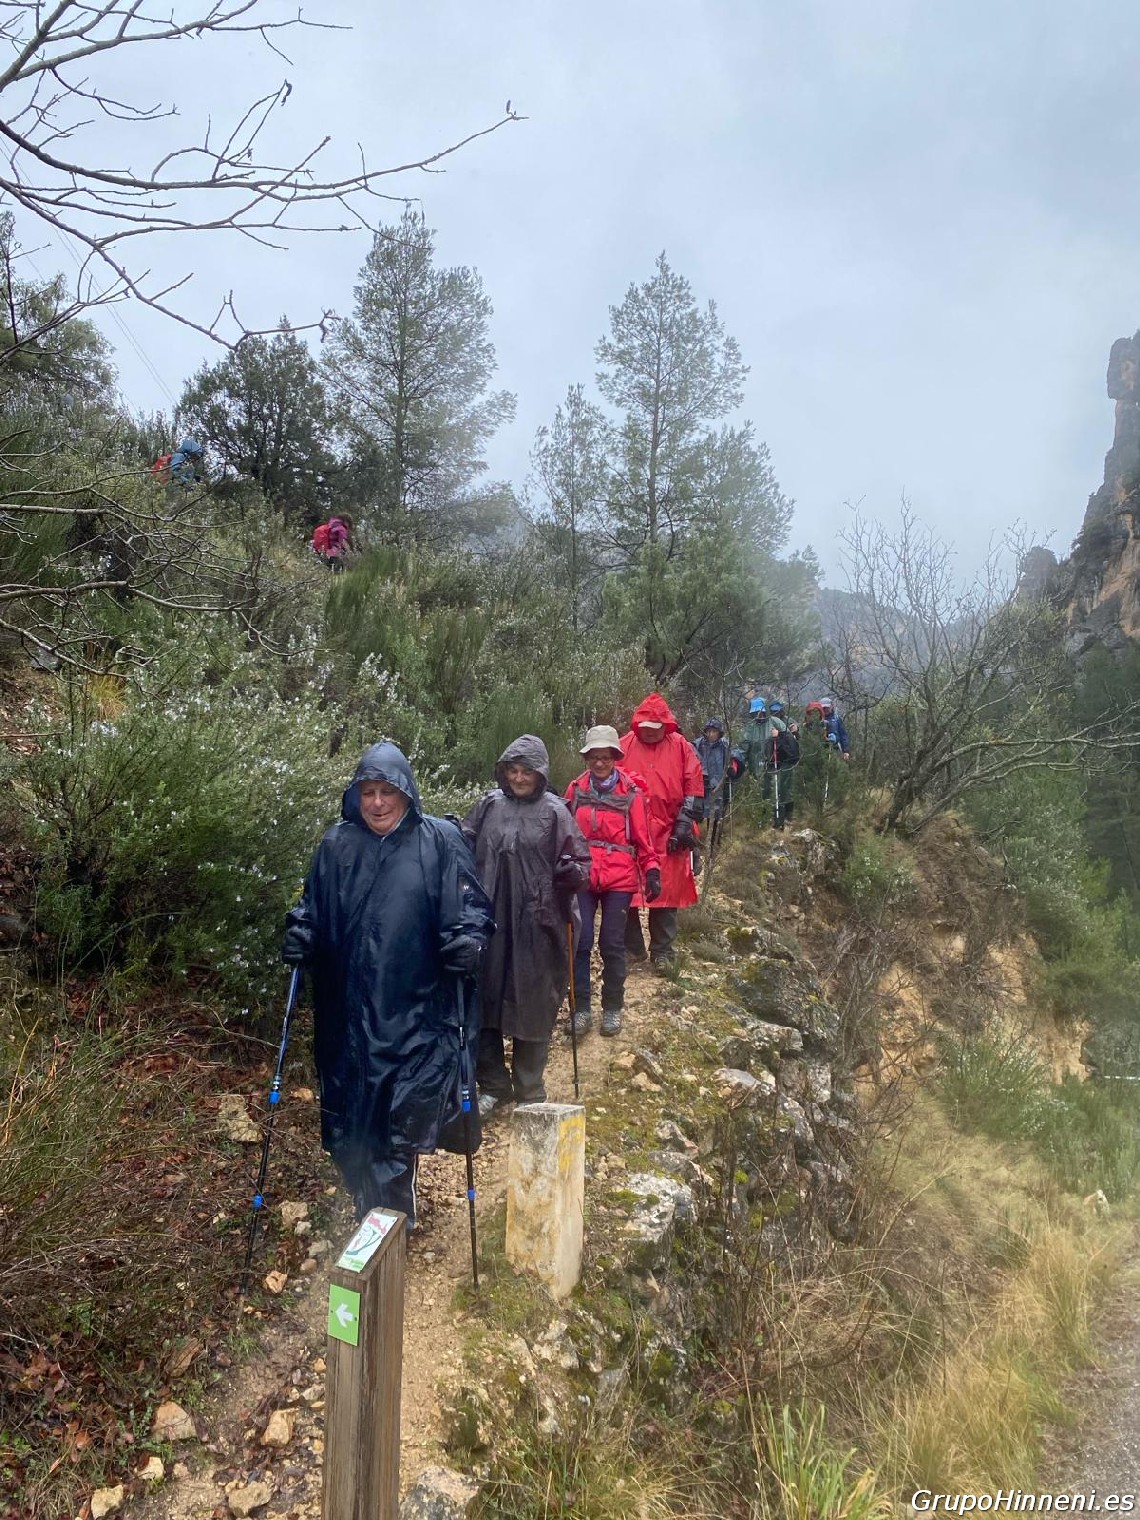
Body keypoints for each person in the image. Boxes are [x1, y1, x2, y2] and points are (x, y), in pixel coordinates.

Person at [281, 741, 494, 1224]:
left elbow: (473, 909)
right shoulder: (337, 846)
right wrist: (301, 933)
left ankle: (391, 1220)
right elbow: (311, 908)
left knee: (399, 1122)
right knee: (351, 1122)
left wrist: (470, 942)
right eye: (368, 792)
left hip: (416, 1012)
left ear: (407, 793)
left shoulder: (437, 842)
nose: (377, 803)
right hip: (346, 1015)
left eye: (387, 791)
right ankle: (370, 1207)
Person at [462, 736, 590, 1114]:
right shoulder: (489, 804)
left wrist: (572, 873)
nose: (518, 778)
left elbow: (581, 862)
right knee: (483, 1000)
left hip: (539, 923)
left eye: (527, 772)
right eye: (513, 770)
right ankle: (494, 1084)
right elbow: (462, 844)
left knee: (533, 1004)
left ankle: (530, 1090)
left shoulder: (556, 812)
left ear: (540, 774)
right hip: (489, 919)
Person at [564, 726, 660, 1036]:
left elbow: (644, 840)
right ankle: (581, 1010)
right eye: (594, 756)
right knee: (580, 942)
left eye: (605, 757)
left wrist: (652, 870)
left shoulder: (631, 794)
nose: (599, 762)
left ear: (615, 758)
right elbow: (562, 833)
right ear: (587, 758)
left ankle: (612, 1008)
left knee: (611, 943)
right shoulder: (575, 790)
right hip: (583, 876)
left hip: (620, 879)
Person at [620, 694, 703, 968]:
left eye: (655, 728)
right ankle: (632, 948)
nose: (650, 733)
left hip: (670, 830)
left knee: (667, 893)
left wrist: (685, 822)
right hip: (632, 831)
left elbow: (694, 785)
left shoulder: (681, 747)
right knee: (625, 890)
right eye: (645, 727)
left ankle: (663, 952)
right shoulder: (623, 745)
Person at [695, 716, 731, 852]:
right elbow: (688, 751)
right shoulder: (699, 744)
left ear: (719, 732)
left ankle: (713, 844)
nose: (711, 734)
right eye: (708, 731)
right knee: (696, 811)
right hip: (701, 783)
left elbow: (733, 758)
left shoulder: (724, 745)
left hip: (717, 785)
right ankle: (694, 842)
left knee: (715, 814)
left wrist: (733, 766)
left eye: (714, 731)